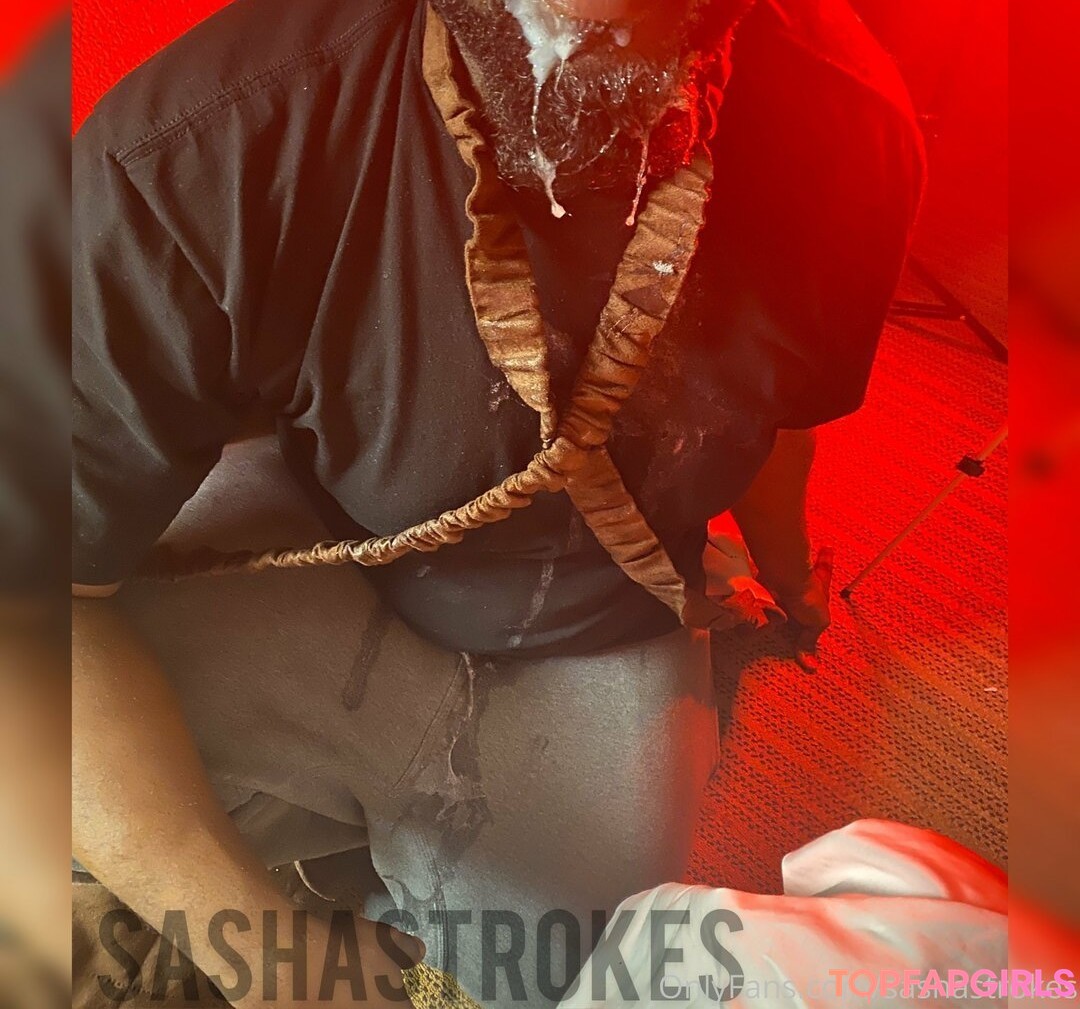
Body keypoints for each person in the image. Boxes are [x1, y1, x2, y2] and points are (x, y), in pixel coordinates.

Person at [71, 0, 923, 1005]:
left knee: (567, 976)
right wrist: (271, 965)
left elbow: (774, 411)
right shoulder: (193, 146)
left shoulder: (849, 125)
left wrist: (789, 570)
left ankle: (347, 865)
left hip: (600, 624)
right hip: (329, 544)